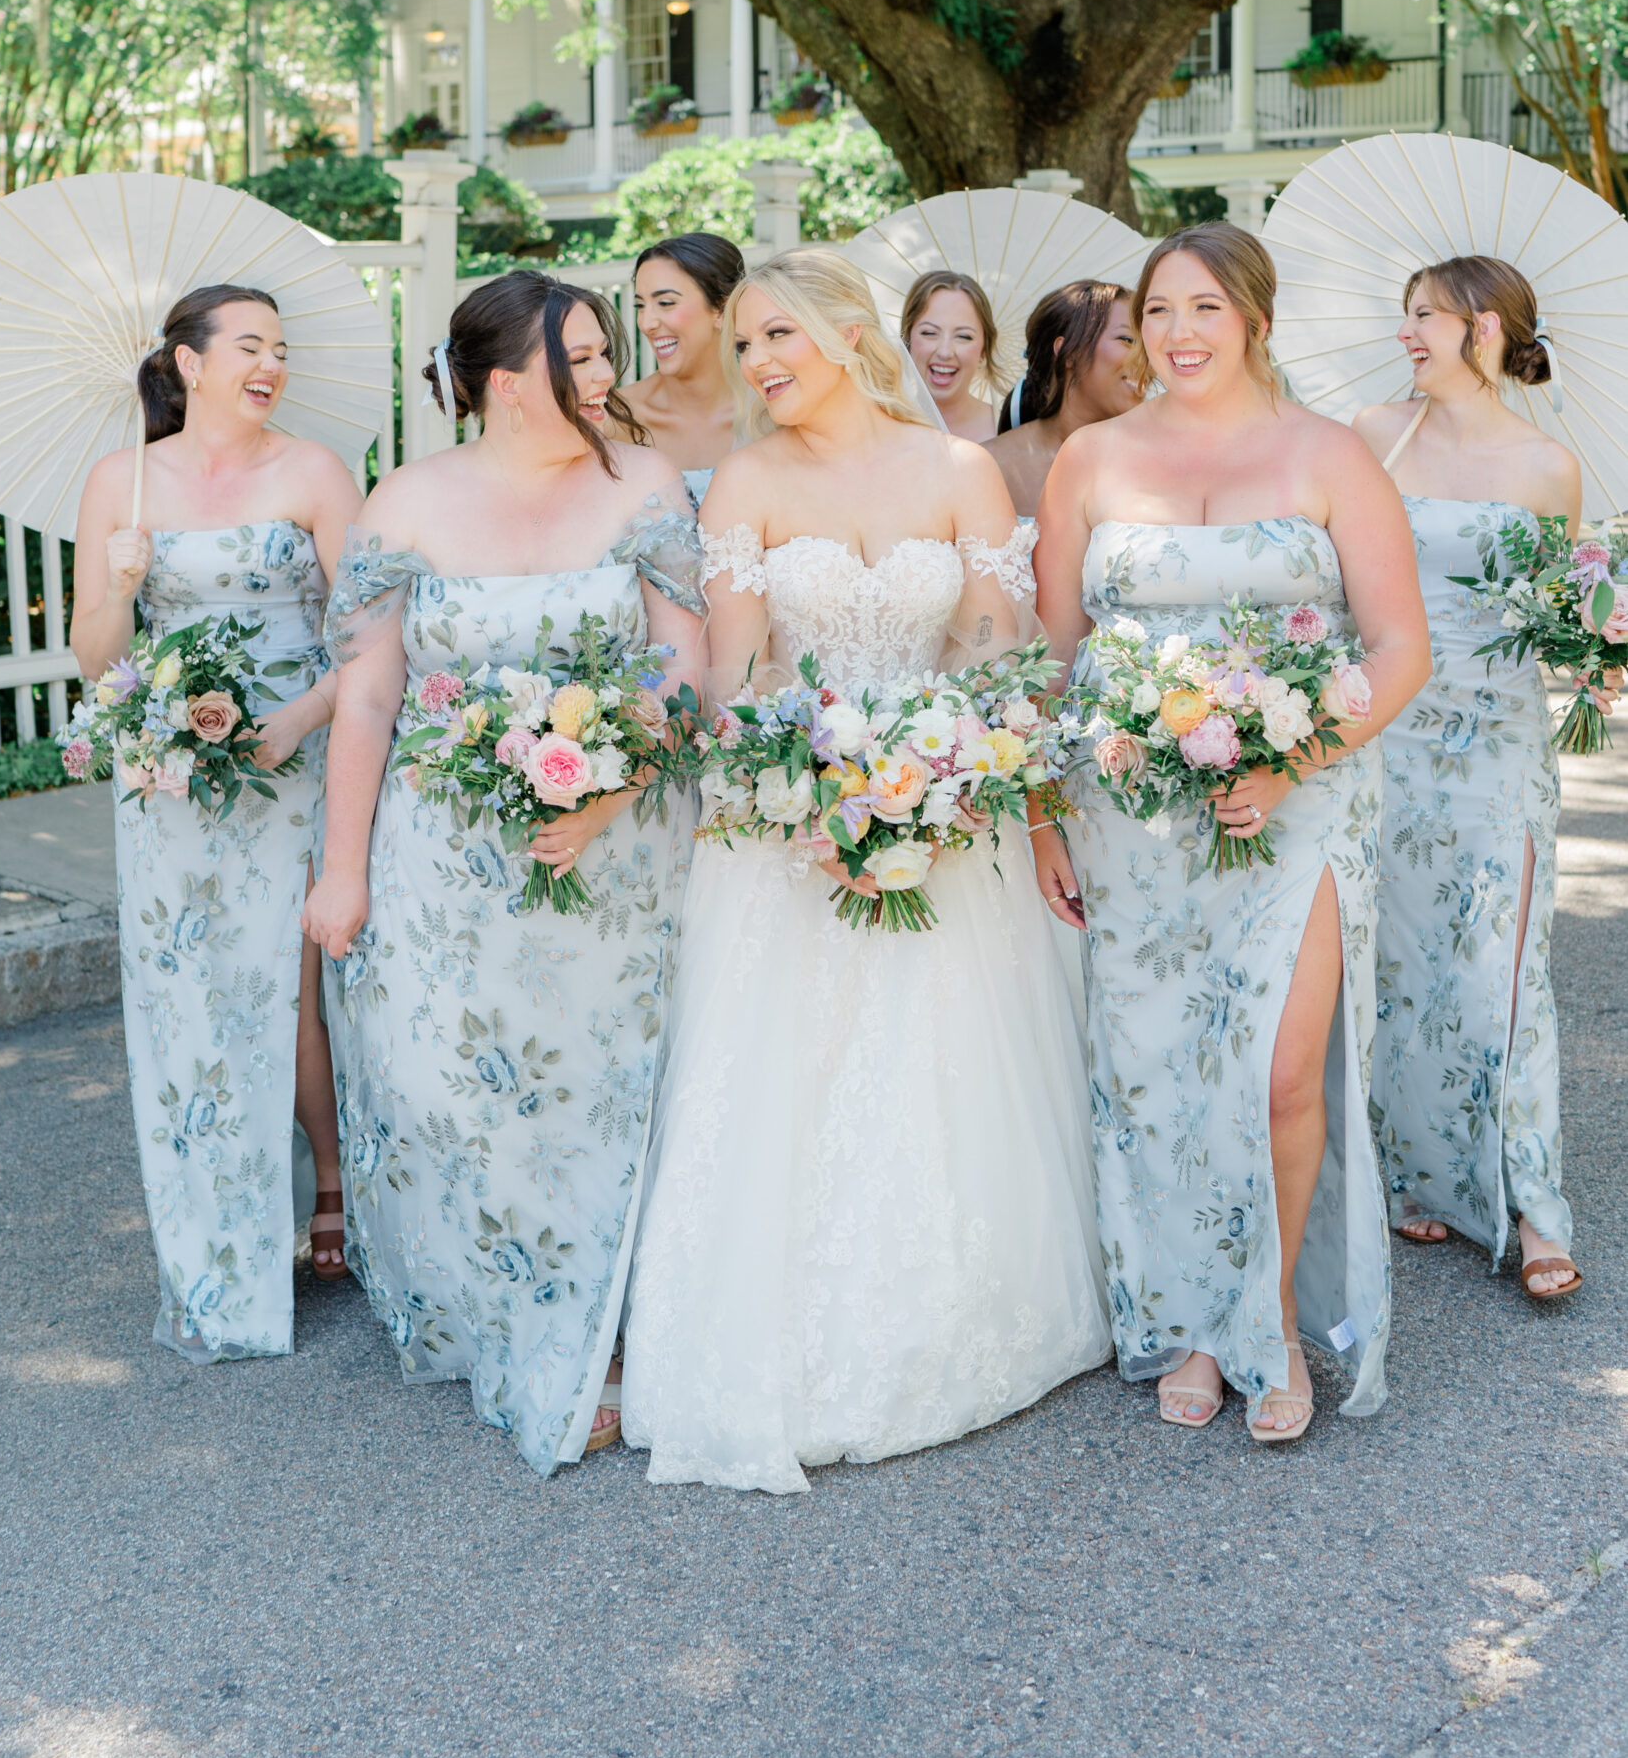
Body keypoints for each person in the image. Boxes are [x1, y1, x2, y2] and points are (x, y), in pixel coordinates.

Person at [619, 248, 1111, 1494]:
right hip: (790, 822)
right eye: (746, 345)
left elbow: (1001, 660)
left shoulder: (959, 471)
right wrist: (815, 789)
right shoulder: (740, 480)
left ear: (847, 334)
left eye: (780, 334)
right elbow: (734, 673)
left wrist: (954, 784)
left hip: (952, 812)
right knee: (790, 1073)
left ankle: (949, 1313)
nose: (761, 363)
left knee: (938, 1065)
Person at [302, 272, 705, 1473]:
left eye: (604, 349)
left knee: (601, 1080)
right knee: (454, 1080)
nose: (606, 374)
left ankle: (602, 1329)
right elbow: (369, 693)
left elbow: (685, 663)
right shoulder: (408, 501)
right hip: (443, 850)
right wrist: (342, 870)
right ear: (503, 378)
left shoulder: (645, 485)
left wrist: (613, 785)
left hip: (620, 843)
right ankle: (508, 1298)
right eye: (580, 354)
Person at [1033, 223, 1430, 1442]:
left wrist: (1292, 756)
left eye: (1204, 308)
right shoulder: (1090, 459)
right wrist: (1047, 816)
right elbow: (1051, 662)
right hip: (1130, 820)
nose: (1178, 334)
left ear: (1254, 318)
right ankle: (1194, 1322)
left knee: (1280, 1071)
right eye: (1158, 312)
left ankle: (1266, 1318)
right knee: (1159, 1077)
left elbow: (1400, 649)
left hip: (1299, 809)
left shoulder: (1331, 455)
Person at [70, 283, 362, 1357]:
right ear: (188, 363)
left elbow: (374, 635)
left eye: (279, 348)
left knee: (294, 991)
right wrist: (118, 583)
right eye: (249, 345)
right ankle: (220, 1239)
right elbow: (99, 660)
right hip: (172, 779)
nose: (270, 363)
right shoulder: (120, 479)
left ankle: (333, 1183)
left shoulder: (315, 472)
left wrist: (299, 719)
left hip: (296, 756)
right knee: (189, 998)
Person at [1355, 257, 1609, 1302]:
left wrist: (1599, 627)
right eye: (1406, 314)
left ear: (1485, 326)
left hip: (1499, 741)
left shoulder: (1549, 466)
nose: (1407, 332)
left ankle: (1535, 1206)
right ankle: (1419, 1173)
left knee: (1503, 969)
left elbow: (1561, 605)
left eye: (1425, 315)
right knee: (1402, 963)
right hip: (1389, 737)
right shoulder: (1375, 436)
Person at [990, 280, 1139, 517]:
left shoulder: (1155, 464)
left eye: (1146, 344)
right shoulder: (988, 466)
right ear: (1069, 351)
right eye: (1127, 340)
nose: (1146, 358)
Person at [622, 232, 745, 505]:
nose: (647, 323)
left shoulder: (769, 416)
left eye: (665, 303)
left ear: (722, 310)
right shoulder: (618, 417)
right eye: (640, 305)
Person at [900, 269, 1002, 443]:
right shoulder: (879, 425)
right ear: (907, 338)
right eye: (930, 332)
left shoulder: (1007, 427)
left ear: (984, 349)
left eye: (963, 336)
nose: (945, 352)